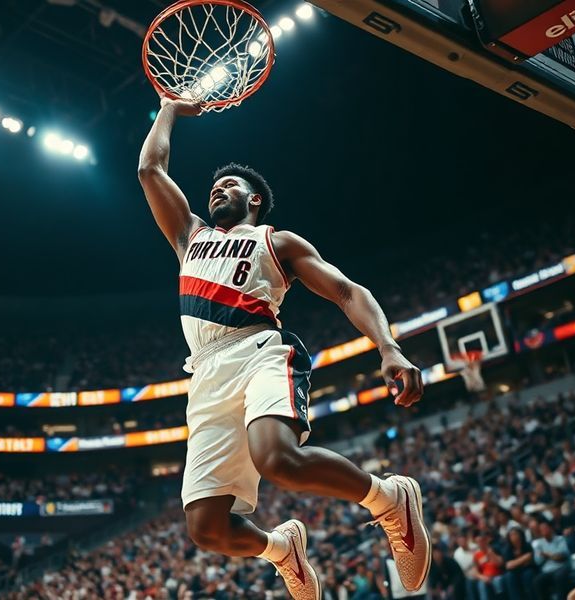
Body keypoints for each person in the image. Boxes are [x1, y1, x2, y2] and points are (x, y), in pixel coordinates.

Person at [137, 95, 430, 599]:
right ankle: (281, 549)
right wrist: (167, 108)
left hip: (258, 351)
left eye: (230, 185)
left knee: (277, 459)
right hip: (204, 375)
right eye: (214, 186)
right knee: (206, 528)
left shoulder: (278, 242)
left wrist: (388, 347)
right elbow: (150, 169)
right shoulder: (189, 236)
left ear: (254, 200)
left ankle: (389, 499)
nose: (218, 189)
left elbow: (347, 291)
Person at [533, 519, 571, 600]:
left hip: (561, 567)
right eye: (541, 530)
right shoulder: (539, 544)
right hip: (547, 570)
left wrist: (547, 555)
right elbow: (537, 561)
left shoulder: (560, 539)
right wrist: (553, 556)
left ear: (551, 528)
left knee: (559, 577)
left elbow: (561, 556)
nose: (544, 531)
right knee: (537, 581)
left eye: (545, 528)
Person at [503, 527, 537, 600]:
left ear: (520, 535)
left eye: (515, 534)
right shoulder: (508, 549)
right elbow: (508, 565)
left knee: (528, 574)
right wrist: (523, 559)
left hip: (527, 569)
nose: (513, 537)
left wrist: (515, 563)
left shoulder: (527, 545)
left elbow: (530, 558)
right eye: (511, 535)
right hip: (515, 572)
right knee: (509, 576)